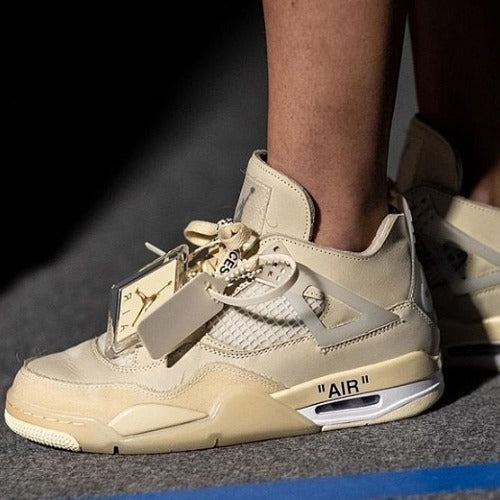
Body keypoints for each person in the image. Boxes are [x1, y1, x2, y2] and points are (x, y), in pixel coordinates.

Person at [5, 1, 499, 454]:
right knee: (474, 172)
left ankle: (327, 250)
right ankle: (477, 226)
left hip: (326, 293)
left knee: (330, 212)